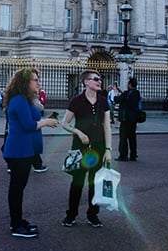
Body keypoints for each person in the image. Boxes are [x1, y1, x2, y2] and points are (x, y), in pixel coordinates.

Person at [2, 67, 59, 238]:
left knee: (19, 188)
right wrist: (47, 122)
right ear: (25, 82)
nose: (38, 83)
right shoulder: (19, 99)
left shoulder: (25, 99)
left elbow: (32, 120)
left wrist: (45, 119)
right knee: (17, 189)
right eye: (35, 80)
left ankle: (18, 221)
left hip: (25, 149)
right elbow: (28, 125)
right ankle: (16, 225)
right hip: (19, 150)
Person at [60, 69, 112, 228]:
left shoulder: (104, 101)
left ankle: (93, 214)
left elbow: (107, 127)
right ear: (86, 82)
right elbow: (65, 123)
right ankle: (71, 215)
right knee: (77, 182)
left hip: (98, 147)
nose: (99, 81)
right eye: (96, 79)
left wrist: (109, 149)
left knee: (94, 182)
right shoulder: (76, 101)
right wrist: (78, 132)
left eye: (100, 79)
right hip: (80, 147)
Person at [113, 77, 141, 161]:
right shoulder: (136, 93)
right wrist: (120, 90)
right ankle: (133, 154)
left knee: (123, 137)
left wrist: (115, 92)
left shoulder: (126, 94)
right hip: (133, 119)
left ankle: (123, 155)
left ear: (130, 84)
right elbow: (127, 97)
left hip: (125, 119)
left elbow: (117, 99)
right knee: (132, 137)